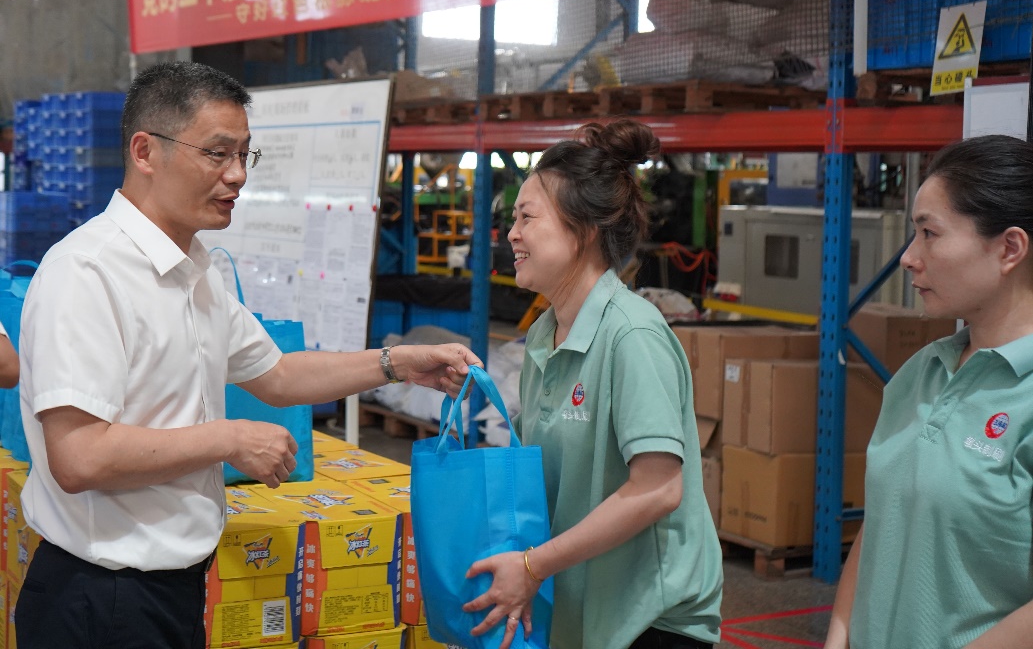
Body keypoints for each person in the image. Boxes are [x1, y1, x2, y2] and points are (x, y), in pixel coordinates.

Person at [14, 61, 480, 649]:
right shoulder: (87, 273)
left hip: (172, 589)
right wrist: (229, 438)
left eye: (244, 155)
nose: (237, 175)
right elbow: (79, 457)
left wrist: (396, 363)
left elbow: (278, 374)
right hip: (101, 600)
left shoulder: (196, 272)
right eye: (217, 153)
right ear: (145, 151)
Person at [462, 119, 723, 649]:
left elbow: (658, 488)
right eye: (513, 219)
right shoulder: (545, 334)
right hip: (586, 605)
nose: (511, 233)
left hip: (650, 620)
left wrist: (533, 566)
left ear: (582, 231)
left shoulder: (632, 335)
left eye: (527, 217)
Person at [824, 134, 1033, 649]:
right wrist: (839, 634)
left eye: (929, 233)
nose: (909, 257)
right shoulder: (922, 372)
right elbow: (884, 522)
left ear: (1009, 248)